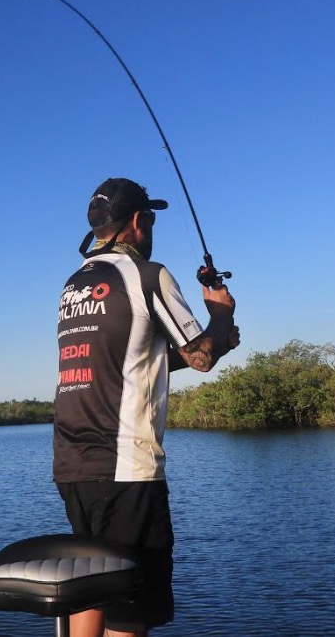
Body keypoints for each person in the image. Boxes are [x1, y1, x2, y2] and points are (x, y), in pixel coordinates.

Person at [53, 177, 240, 637]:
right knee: (130, 610)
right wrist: (220, 314)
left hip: (73, 469)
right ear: (138, 221)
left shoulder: (73, 286)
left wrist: (215, 342)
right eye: (151, 219)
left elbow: (131, 362)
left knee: (91, 587)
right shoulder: (147, 275)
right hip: (127, 471)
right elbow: (201, 358)